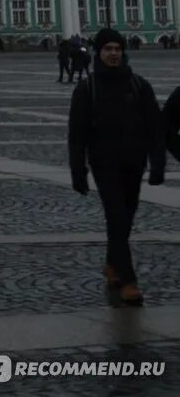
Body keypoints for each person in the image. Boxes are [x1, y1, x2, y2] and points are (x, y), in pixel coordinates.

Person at [72, 28, 163, 306]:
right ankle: (129, 280)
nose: (113, 53)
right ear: (99, 53)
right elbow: (76, 134)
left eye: (117, 49)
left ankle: (113, 263)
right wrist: (78, 171)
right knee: (117, 217)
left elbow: (154, 128)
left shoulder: (139, 85)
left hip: (133, 164)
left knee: (126, 218)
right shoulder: (88, 88)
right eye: (108, 49)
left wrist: (158, 164)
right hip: (104, 164)